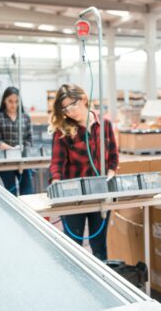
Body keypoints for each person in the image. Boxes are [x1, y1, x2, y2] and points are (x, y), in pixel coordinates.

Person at [49, 84, 119, 260]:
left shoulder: (104, 124)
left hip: (100, 193)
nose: (69, 112)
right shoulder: (63, 130)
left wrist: (109, 179)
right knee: (73, 249)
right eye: (64, 108)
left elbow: (113, 158)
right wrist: (56, 183)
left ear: (83, 99)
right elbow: (57, 163)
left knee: (99, 247)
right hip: (74, 196)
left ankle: (101, 284)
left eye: (72, 105)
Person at [0, 87, 34, 195]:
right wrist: (11, 150)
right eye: (10, 101)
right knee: (10, 192)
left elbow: (29, 139)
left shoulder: (25, 117)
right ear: (4, 101)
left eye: (16, 101)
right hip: (5, 161)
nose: (13, 105)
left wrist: (23, 148)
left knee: (27, 191)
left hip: (23, 160)